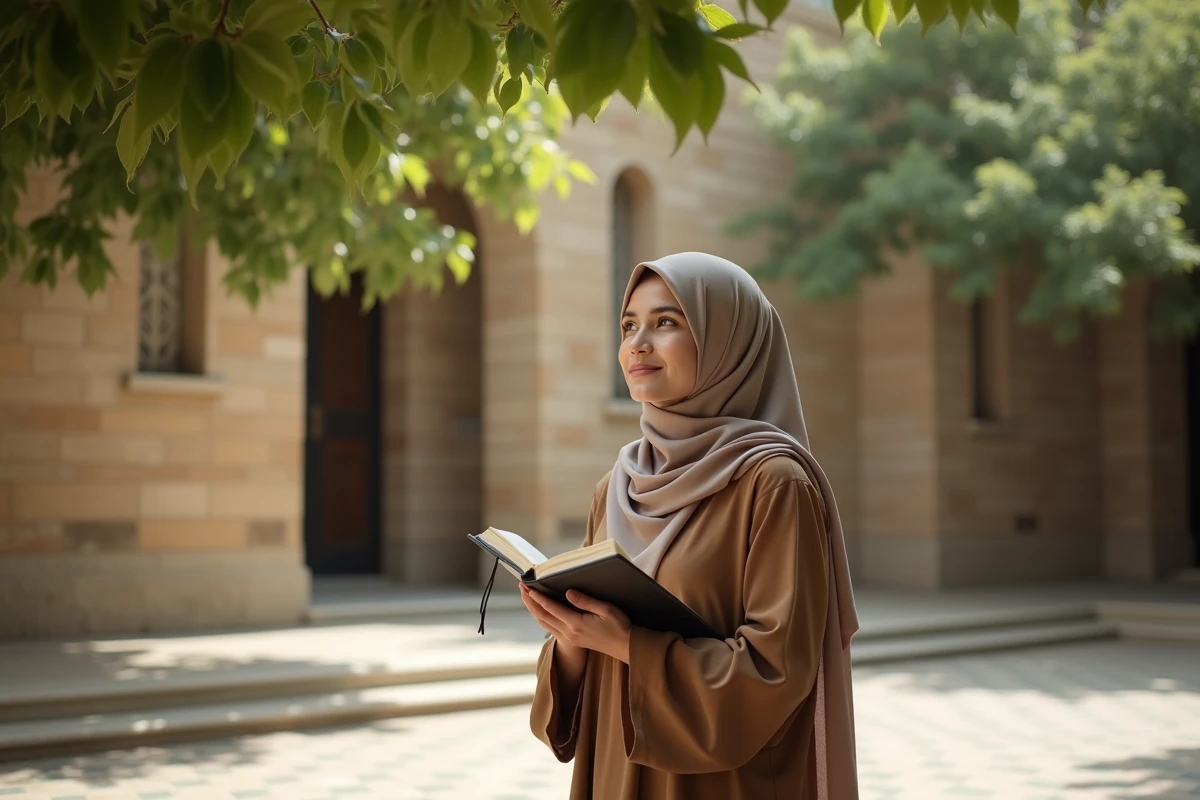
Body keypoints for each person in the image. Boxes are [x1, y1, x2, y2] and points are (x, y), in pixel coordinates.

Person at [519, 252, 860, 800]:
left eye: (667, 322)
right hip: (615, 768)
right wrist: (573, 640)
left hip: (722, 782)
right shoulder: (619, 485)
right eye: (629, 324)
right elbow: (573, 696)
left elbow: (777, 671)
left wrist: (631, 644)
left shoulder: (773, 481)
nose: (638, 343)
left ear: (728, 340)